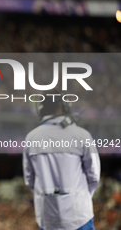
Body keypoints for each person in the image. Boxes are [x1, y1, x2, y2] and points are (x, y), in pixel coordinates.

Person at [23, 89, 101, 230]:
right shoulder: (82, 135)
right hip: (80, 218)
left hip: (47, 218)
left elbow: (30, 180)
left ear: (41, 110)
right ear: (66, 106)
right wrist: (80, 197)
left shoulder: (32, 138)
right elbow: (94, 175)